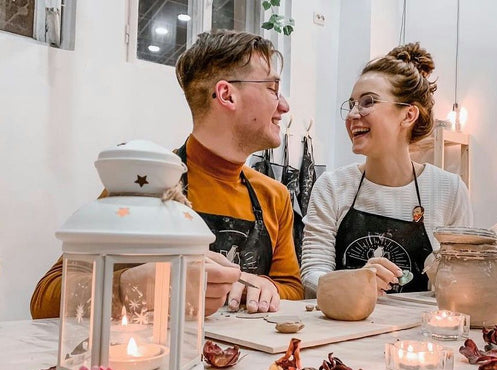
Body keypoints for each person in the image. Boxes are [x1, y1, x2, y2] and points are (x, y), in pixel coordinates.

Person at [31, 30, 303, 318]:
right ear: (227, 95)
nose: (283, 106)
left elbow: (291, 289)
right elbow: (44, 300)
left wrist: (263, 286)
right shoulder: (143, 183)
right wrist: (131, 287)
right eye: (272, 88)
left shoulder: (275, 196)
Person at [301, 42, 473, 298]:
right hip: (344, 330)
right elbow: (312, 273)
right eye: (352, 104)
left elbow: (464, 282)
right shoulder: (333, 186)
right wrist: (354, 282)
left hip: (417, 333)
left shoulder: (448, 190)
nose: (352, 115)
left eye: (368, 102)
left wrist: (446, 273)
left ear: (408, 115)